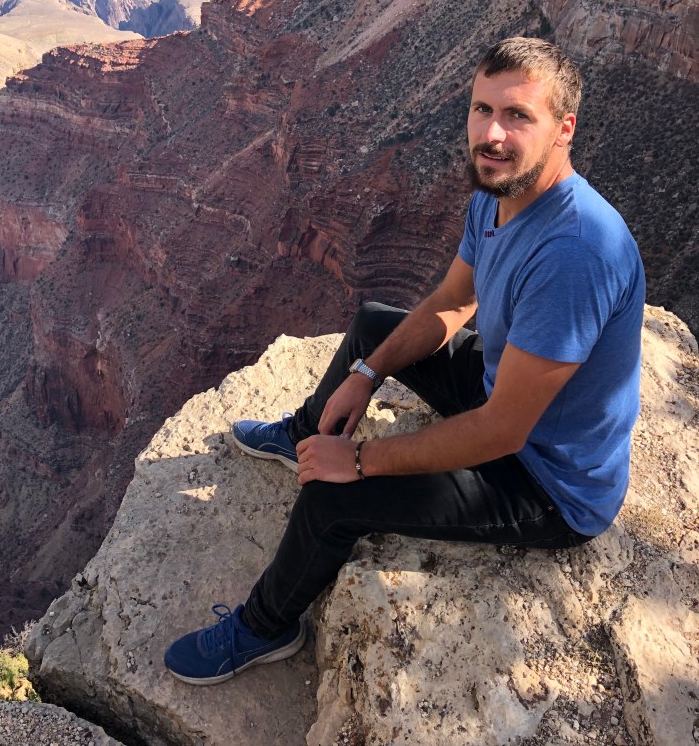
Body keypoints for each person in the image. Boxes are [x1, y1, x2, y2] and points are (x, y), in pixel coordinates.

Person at [164, 37, 645, 685]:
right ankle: (306, 432)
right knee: (374, 326)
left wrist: (360, 460)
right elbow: (452, 302)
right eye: (482, 109)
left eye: (518, 116)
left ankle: (265, 627)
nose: (491, 134)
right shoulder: (497, 194)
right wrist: (366, 375)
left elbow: (503, 431)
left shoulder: (575, 253)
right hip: (503, 396)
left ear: (564, 129)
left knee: (331, 501)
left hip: (547, 483)